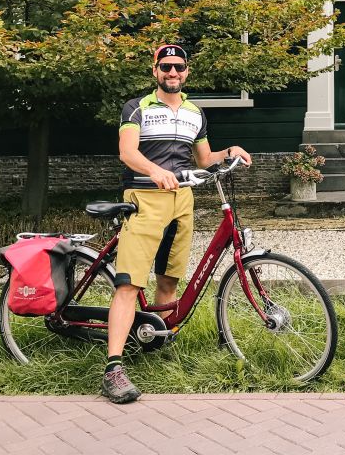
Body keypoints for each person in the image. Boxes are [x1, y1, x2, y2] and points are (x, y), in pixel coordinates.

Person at [102, 44, 252, 404]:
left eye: (179, 67)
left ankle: (158, 345)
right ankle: (113, 369)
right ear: (155, 70)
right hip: (144, 198)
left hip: (182, 200)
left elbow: (204, 158)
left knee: (169, 279)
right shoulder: (137, 108)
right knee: (129, 284)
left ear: (187, 72)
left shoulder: (194, 113)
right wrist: (155, 171)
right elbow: (127, 152)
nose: (173, 73)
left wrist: (229, 152)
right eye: (166, 66)